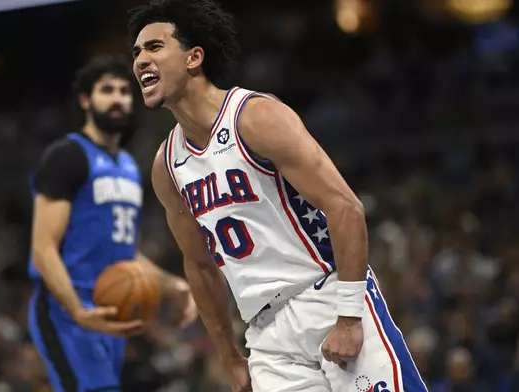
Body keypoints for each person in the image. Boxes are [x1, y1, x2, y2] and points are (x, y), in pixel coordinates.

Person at [128, 1, 429, 391]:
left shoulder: (255, 117)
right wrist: (230, 358)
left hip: (326, 296)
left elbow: (344, 206)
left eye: (154, 47)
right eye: (136, 52)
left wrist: (350, 317)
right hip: (267, 336)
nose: (140, 60)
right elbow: (199, 266)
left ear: (193, 58)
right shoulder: (166, 166)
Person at [27, 55, 197, 392]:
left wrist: (173, 285)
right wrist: (77, 310)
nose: (118, 98)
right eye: (107, 90)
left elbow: (123, 252)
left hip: (113, 308)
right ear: (86, 100)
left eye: (124, 91)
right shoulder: (67, 156)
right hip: (67, 310)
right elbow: (42, 249)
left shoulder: (130, 167)